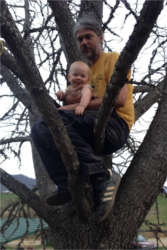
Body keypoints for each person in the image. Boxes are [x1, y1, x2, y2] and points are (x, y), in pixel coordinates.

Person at [31, 16, 135, 222]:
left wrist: (69, 107)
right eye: (80, 39)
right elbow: (73, 106)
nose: (83, 43)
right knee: (40, 129)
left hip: (115, 126)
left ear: (100, 37)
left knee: (56, 119)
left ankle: (101, 175)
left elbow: (120, 99)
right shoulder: (84, 73)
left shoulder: (113, 59)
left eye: (88, 37)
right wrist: (64, 102)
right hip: (88, 127)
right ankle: (67, 185)